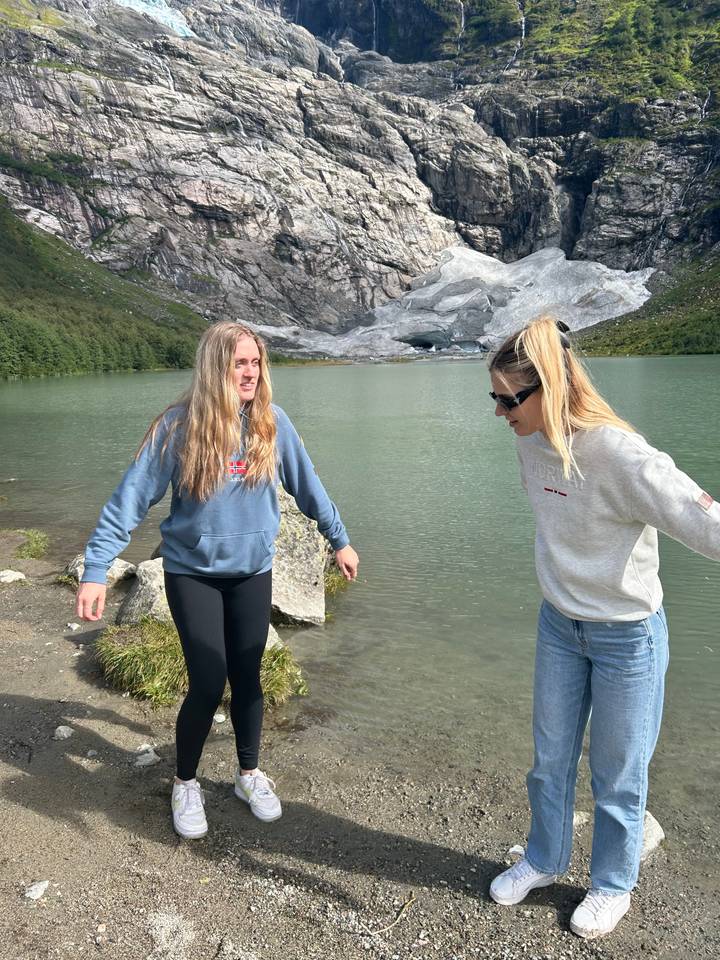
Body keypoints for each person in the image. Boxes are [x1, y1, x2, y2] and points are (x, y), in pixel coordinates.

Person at [76, 321, 359, 840]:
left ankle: (248, 774)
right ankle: (185, 782)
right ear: (215, 368)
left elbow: (308, 486)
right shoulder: (178, 427)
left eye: (255, 362)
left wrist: (338, 539)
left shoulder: (273, 423)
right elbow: (130, 500)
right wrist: (97, 570)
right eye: (238, 364)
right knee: (209, 680)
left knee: (248, 676)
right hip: (193, 575)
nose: (249, 373)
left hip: (253, 572)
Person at [486, 316, 719, 938]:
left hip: (627, 637)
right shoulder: (527, 442)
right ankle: (544, 858)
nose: (501, 412)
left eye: (511, 400)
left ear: (552, 389)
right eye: (495, 399)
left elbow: (704, 520)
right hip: (559, 626)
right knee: (549, 760)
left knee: (618, 773)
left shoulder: (620, 453)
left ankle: (613, 884)